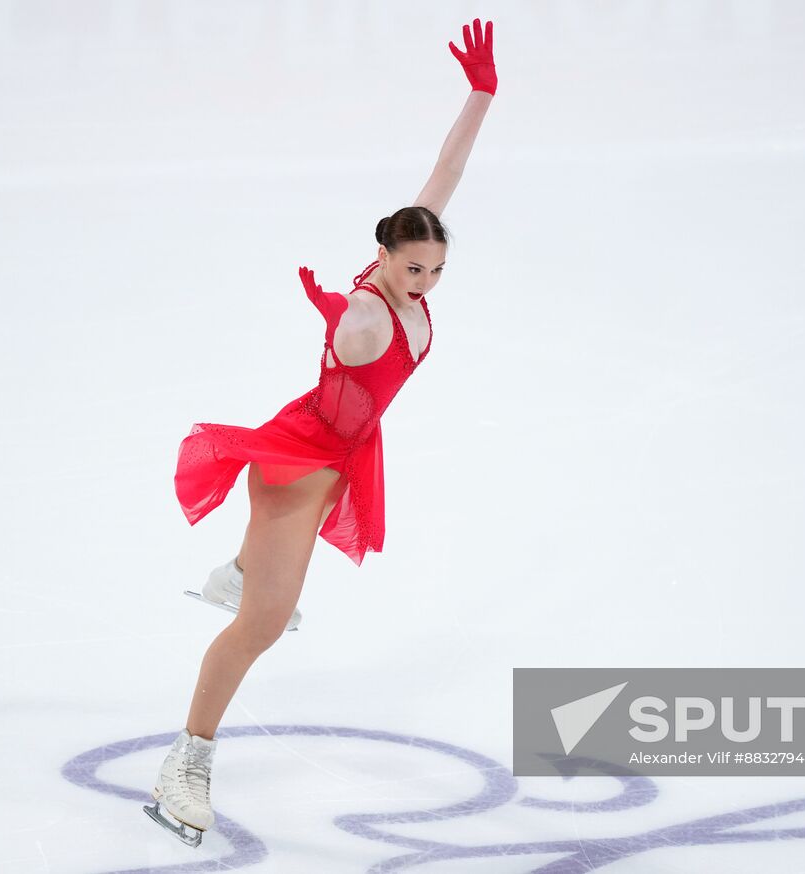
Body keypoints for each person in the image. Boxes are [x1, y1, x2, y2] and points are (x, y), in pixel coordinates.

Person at [143, 18, 498, 847]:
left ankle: (238, 570)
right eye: (415, 267)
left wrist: (479, 96)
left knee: (272, 598)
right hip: (300, 464)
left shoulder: (400, 264)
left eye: (437, 269)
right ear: (383, 255)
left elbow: (442, 175)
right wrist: (344, 319)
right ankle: (185, 762)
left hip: (338, 452)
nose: (427, 281)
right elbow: (353, 344)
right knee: (266, 624)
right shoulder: (370, 317)